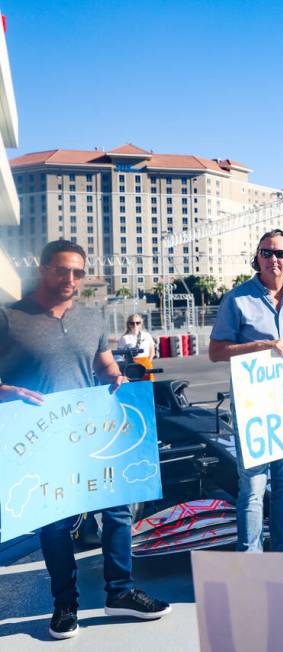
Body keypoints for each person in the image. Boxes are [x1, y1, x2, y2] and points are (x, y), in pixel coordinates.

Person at [0, 240, 171, 640]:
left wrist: (116, 378)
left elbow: (103, 361)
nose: (70, 279)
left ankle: (121, 592)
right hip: (38, 438)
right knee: (55, 524)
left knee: (116, 511)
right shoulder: (10, 318)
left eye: (78, 272)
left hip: (90, 430)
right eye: (62, 271)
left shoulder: (91, 318)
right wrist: (5, 390)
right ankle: (65, 605)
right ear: (43, 269)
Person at [209, 228, 283, 552]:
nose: (274, 259)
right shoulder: (237, 299)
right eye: (267, 252)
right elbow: (216, 351)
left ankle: (282, 553)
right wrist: (263, 346)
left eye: (281, 253)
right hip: (254, 410)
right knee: (253, 487)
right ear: (256, 257)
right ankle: (251, 560)